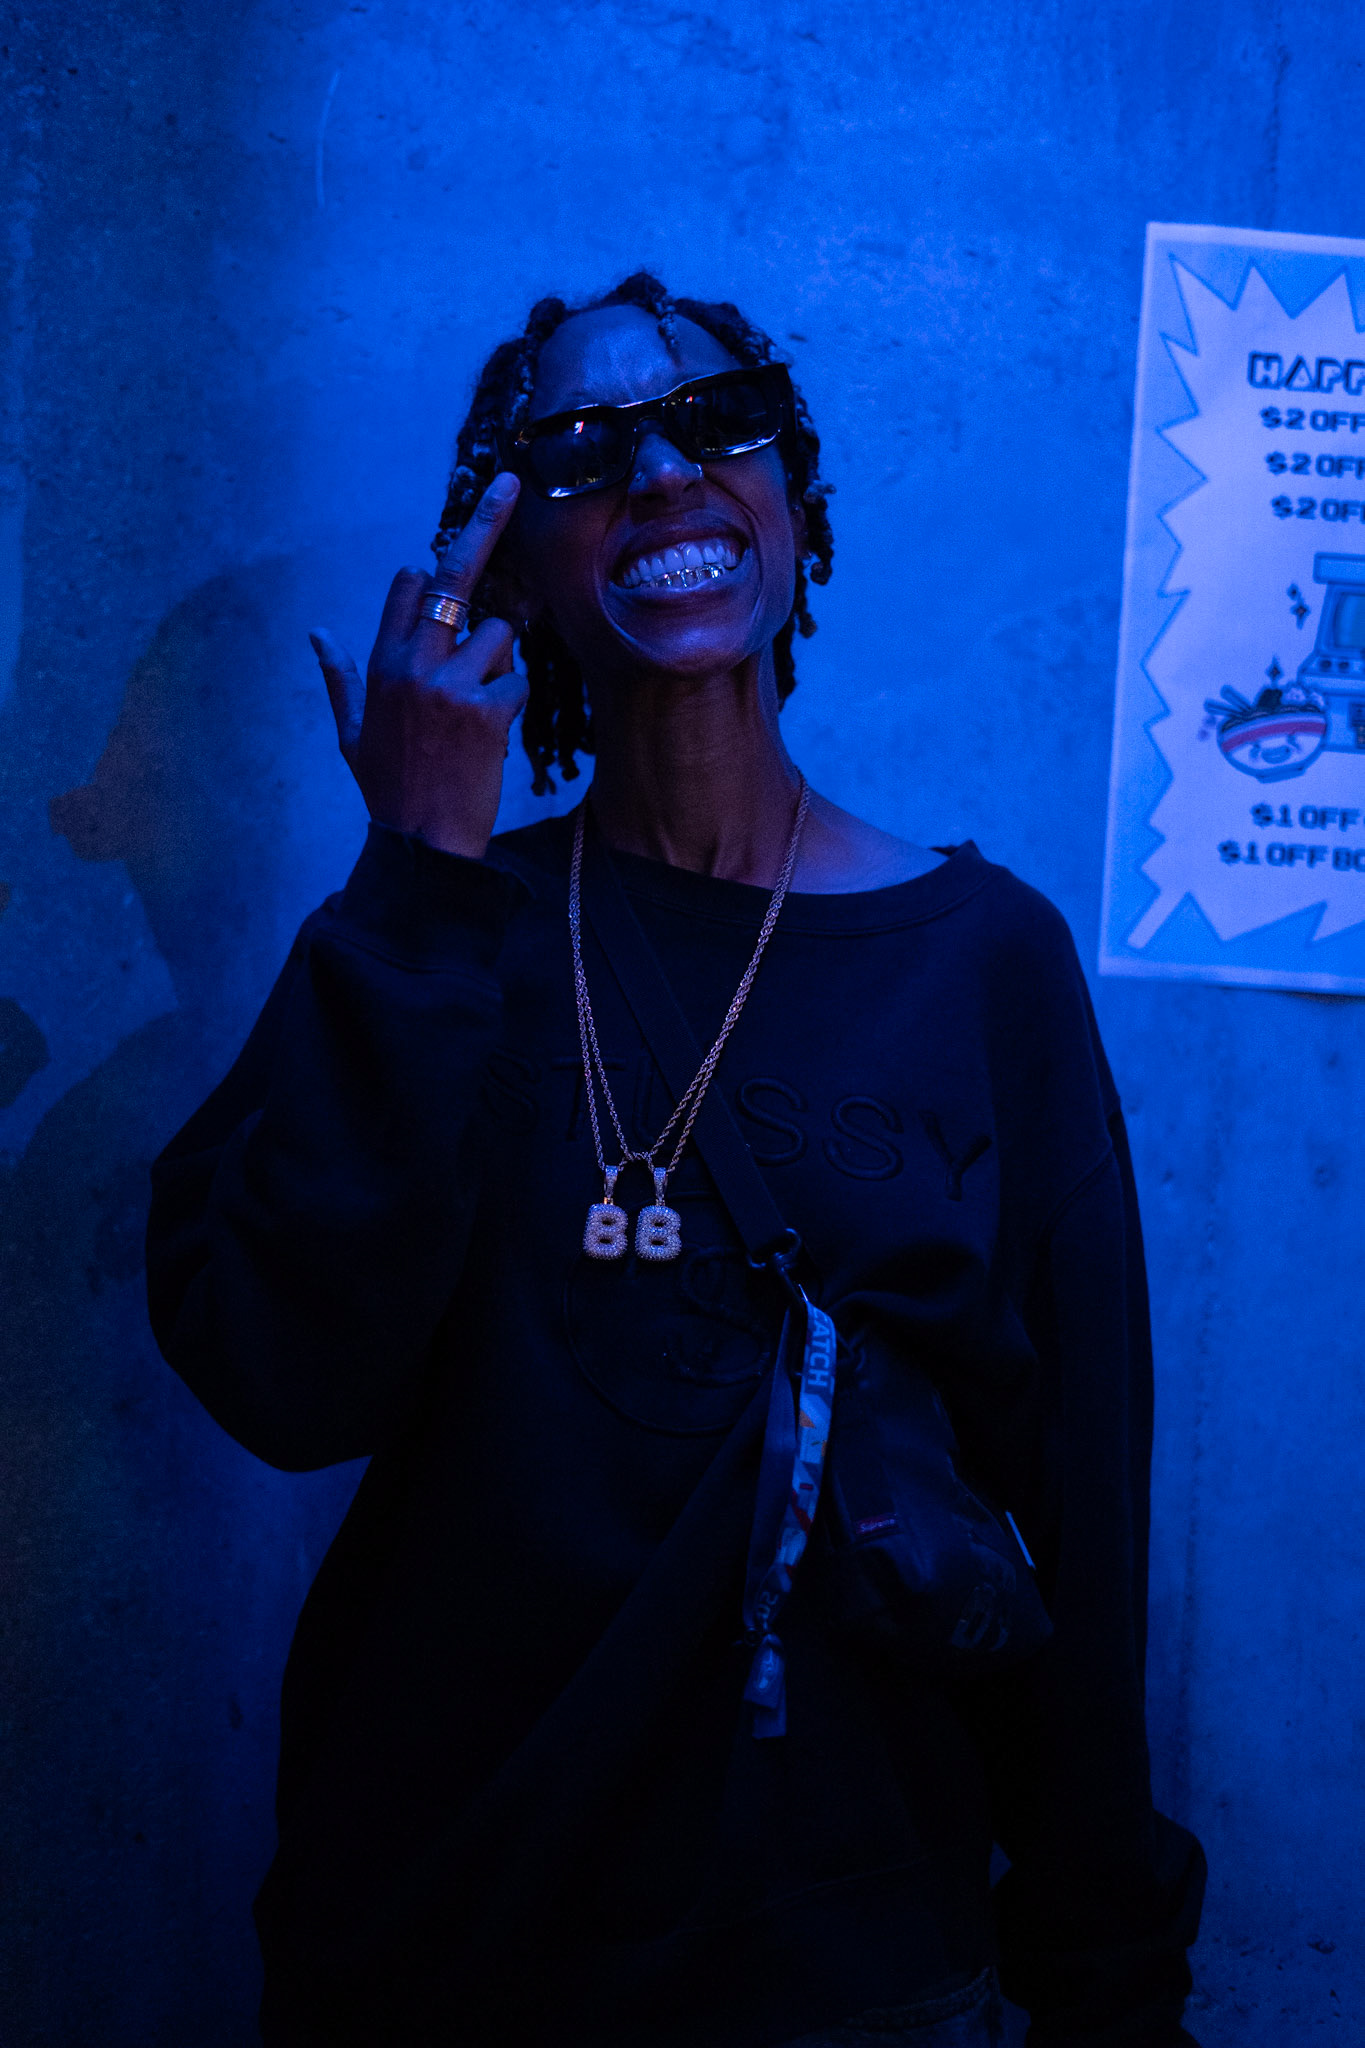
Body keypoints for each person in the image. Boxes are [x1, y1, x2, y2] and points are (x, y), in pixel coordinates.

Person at [146, 272, 1206, 2047]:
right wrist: (415, 865)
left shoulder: (981, 960)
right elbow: (282, 1382)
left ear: (791, 494)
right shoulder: (434, 930)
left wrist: (1108, 1980)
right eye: (580, 449)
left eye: (717, 423)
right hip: (442, 1937)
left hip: (849, 1965)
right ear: (505, 564)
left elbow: (1081, 1516)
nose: (660, 472)